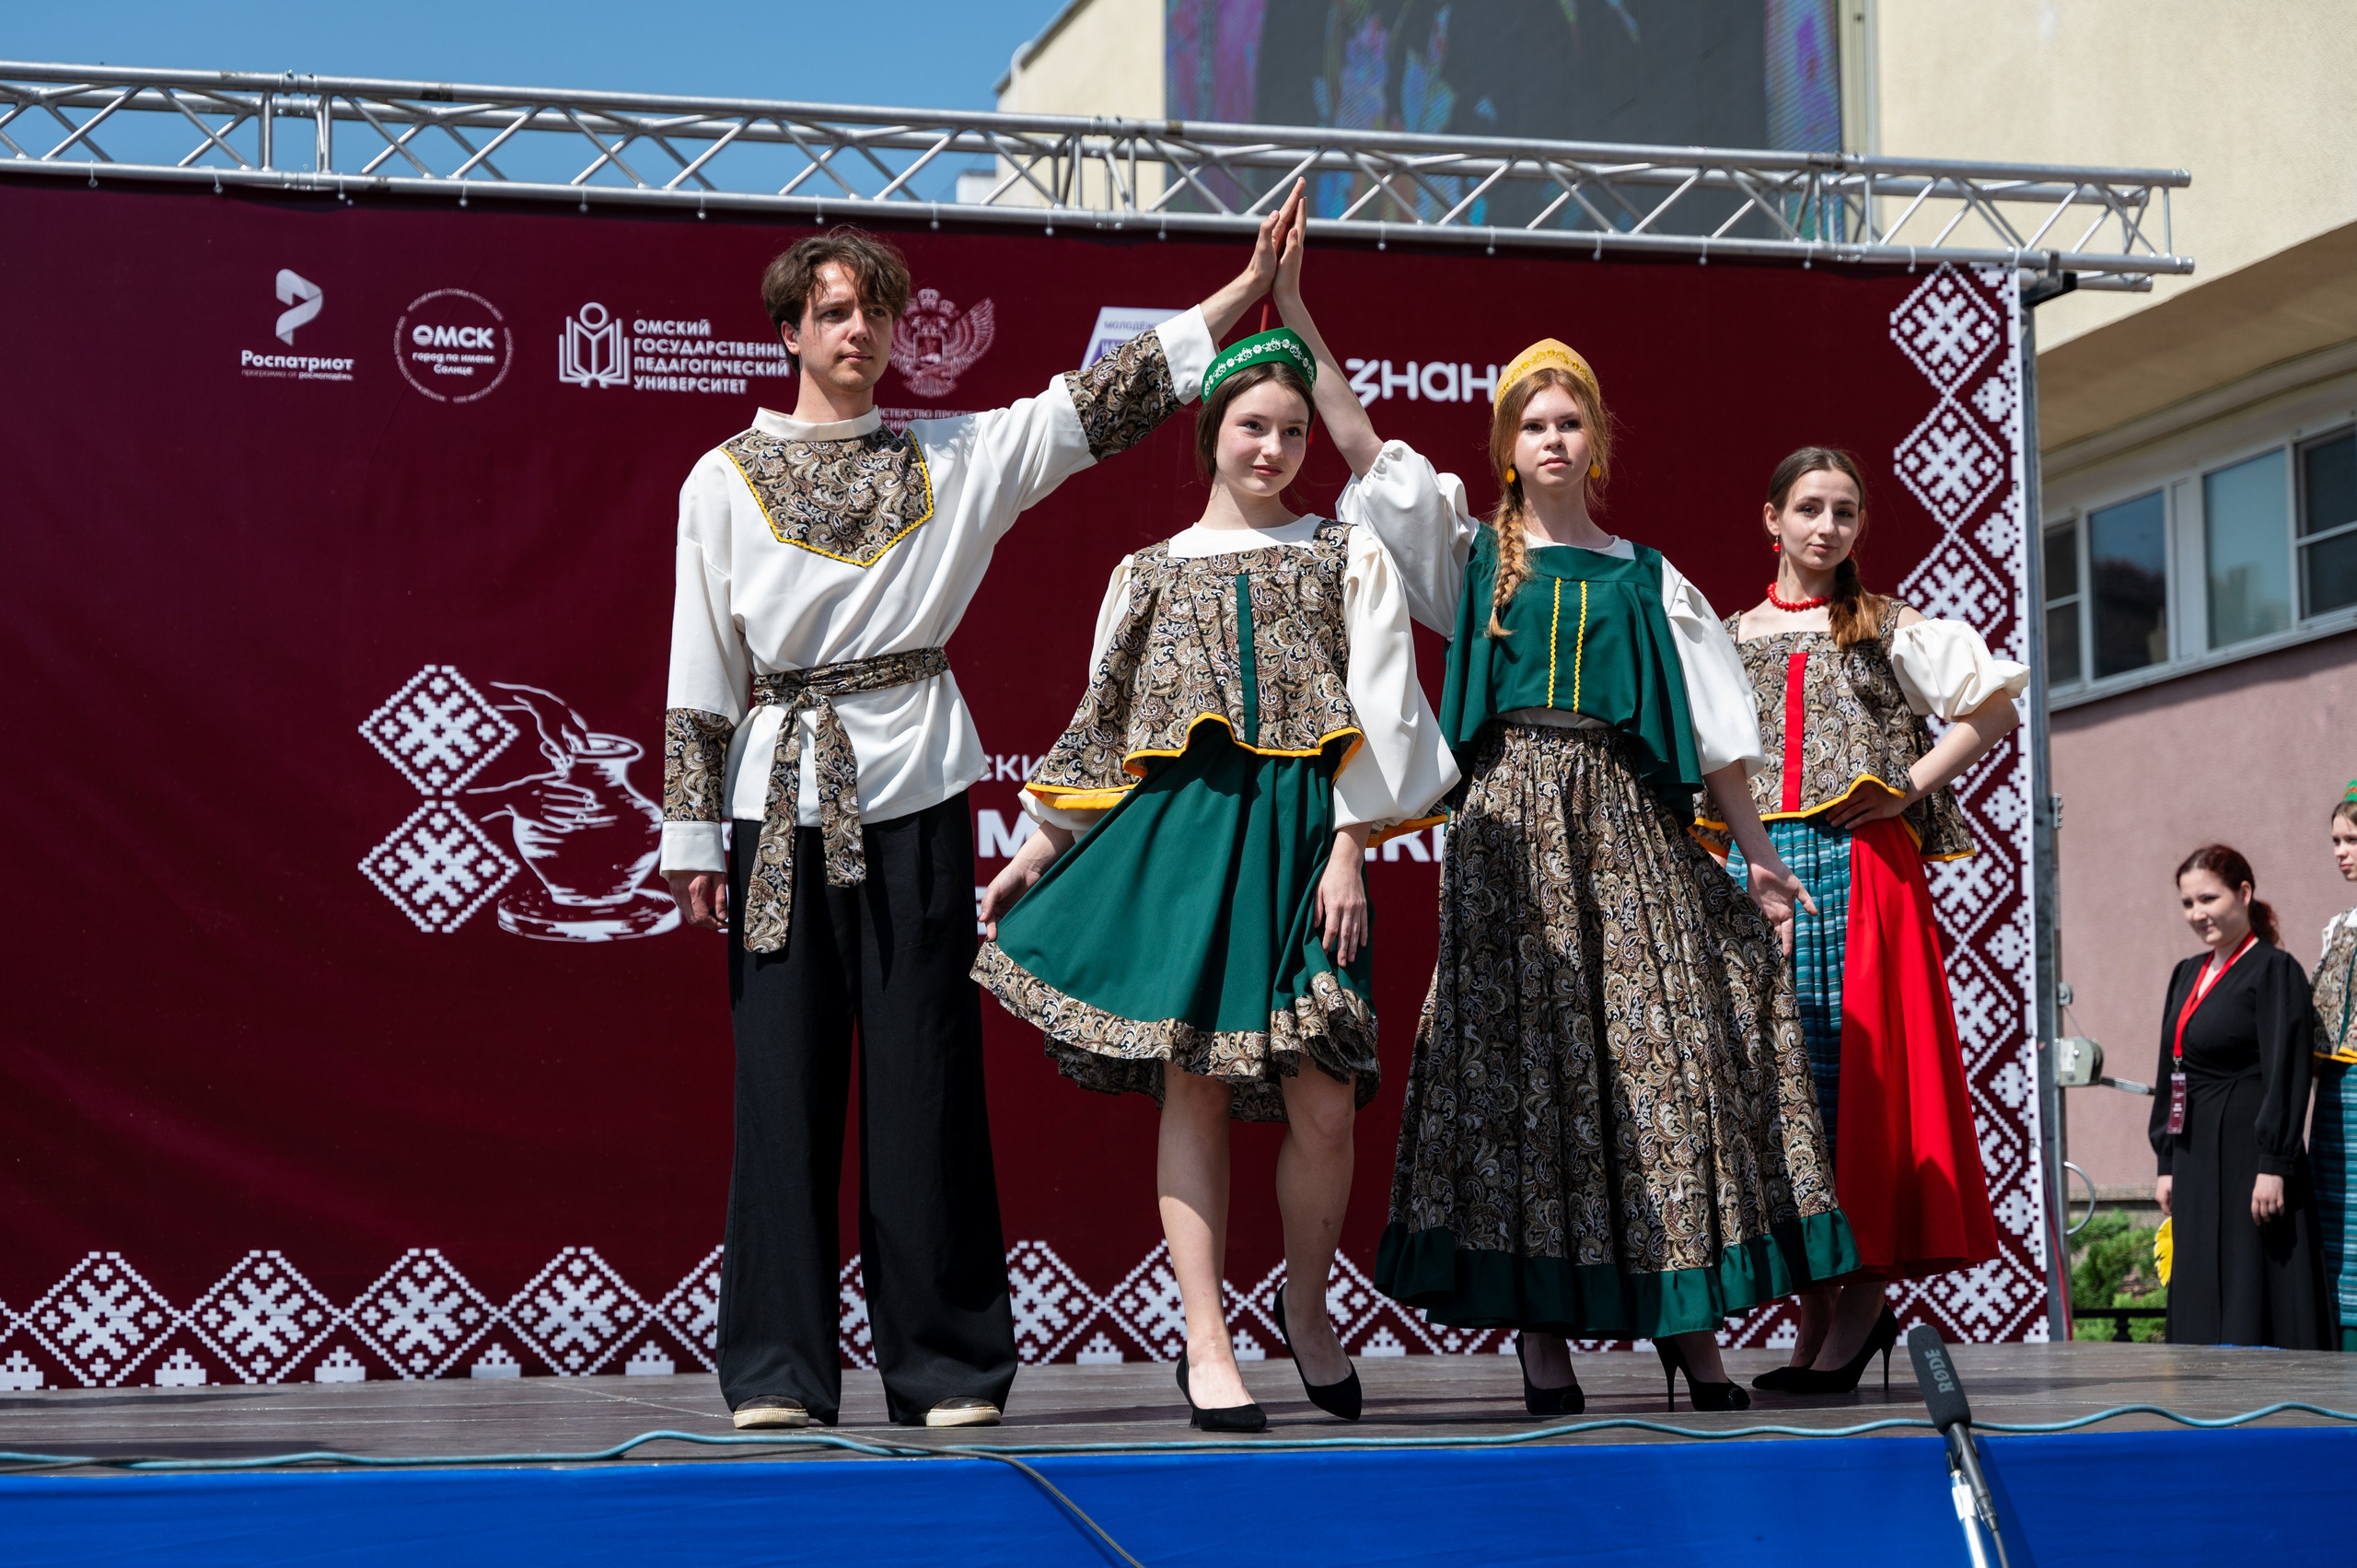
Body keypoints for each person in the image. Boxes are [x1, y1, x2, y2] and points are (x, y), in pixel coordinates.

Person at [660, 215, 1292, 1431]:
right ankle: (777, 1370)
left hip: (913, 795)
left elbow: (1100, 403)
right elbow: (699, 662)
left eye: (876, 310)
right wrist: (692, 838)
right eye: (833, 310)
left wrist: (1242, 293)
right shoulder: (720, 476)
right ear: (790, 328)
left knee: (925, 1081)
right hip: (777, 799)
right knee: (780, 1088)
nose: (859, 329)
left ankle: (945, 1364)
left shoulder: (954, 454)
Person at [974, 183, 1456, 1432]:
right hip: (1184, 845)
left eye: (1292, 428)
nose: (1274, 446)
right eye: (1253, 424)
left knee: (1324, 1098)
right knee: (1191, 1084)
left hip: (1305, 841)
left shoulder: (1342, 548)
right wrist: (1038, 849)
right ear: (1212, 433)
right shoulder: (1143, 574)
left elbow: (1385, 693)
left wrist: (1352, 841)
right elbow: (1101, 725)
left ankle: (1303, 1303)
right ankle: (1205, 1337)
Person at [1343, 332, 1857, 1414]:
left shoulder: (1649, 576)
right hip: (1507, 832)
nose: (1552, 439)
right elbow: (1364, 450)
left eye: (1568, 421)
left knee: (1659, 1065)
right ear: (1505, 444)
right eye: (1532, 424)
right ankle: (1542, 1335)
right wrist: (1292, 311)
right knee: (1532, 1076)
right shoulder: (1472, 554)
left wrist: (1758, 858)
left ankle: (1688, 1322)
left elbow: (1717, 740)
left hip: (1625, 818)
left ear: (1596, 438)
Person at [1708, 448, 2020, 1394]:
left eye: (1844, 512)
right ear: (1771, 518)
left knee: (1866, 1089)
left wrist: (1906, 791)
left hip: (1861, 870)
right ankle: (1817, 1316)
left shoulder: (1885, 622)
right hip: (1758, 868)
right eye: (1809, 508)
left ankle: (1860, 1309)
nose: (1826, 527)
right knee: (1787, 1087)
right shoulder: (1726, 633)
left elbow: (1991, 705)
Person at [2150, 844, 2329, 1348]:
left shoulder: (2275, 970)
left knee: (2251, 1273)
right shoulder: (2186, 973)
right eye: (2187, 903)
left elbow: (2286, 1070)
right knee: (2201, 1271)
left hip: (2251, 1153)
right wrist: (2166, 1160)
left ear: (2244, 893)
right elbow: (2171, 1072)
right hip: (2195, 1152)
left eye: (2208, 898)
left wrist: (2275, 1162)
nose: (2197, 914)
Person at [2310, 794, 2357, 1350]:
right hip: (2333, 1096)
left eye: (2351, 841)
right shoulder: (2340, 925)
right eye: (2336, 843)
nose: (2341, 853)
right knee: (2339, 1229)